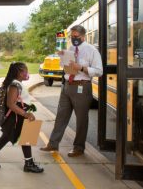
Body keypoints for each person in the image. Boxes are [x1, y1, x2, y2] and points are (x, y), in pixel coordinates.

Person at [40, 25, 103, 157]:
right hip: (67, 85)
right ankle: (53, 143)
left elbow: (99, 71)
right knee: (61, 116)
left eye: (76, 37)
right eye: (72, 37)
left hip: (81, 86)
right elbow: (66, 67)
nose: (74, 39)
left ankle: (79, 148)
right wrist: (62, 57)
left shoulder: (92, 51)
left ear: (83, 36)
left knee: (81, 119)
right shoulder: (70, 49)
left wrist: (81, 68)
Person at [0, 62, 44, 173]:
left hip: (19, 115)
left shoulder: (17, 84)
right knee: (23, 138)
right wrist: (25, 114)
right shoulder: (15, 85)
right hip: (17, 116)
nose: (27, 73)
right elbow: (11, 103)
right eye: (26, 70)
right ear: (20, 73)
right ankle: (28, 164)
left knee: (10, 137)